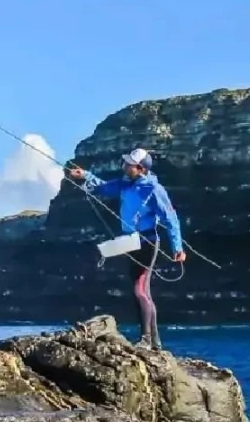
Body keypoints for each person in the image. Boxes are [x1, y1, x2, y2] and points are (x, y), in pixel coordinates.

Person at [67, 147, 186, 351]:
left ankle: (146, 340)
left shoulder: (154, 190)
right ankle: (155, 342)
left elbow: (171, 218)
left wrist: (177, 247)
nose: (124, 166)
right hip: (131, 242)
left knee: (140, 290)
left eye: (129, 164)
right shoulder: (125, 183)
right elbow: (104, 187)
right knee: (142, 292)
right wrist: (84, 175)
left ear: (140, 168)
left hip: (147, 242)